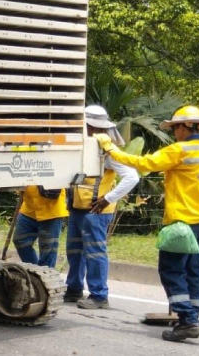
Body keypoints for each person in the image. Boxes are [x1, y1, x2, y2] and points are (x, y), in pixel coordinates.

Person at [94, 105, 199, 342]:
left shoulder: (180, 150)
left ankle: (187, 321)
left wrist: (110, 148)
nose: (175, 132)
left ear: (186, 127)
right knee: (192, 272)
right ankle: (192, 315)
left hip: (182, 223)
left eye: (176, 127)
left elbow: (143, 164)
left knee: (171, 270)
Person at [66, 105, 139, 309]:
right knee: (74, 250)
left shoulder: (106, 152)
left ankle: (99, 295)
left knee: (95, 253)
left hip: (96, 211)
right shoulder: (82, 148)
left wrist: (108, 198)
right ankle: (73, 289)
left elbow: (132, 177)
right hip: (78, 208)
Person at [12, 184, 67, 268]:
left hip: (51, 210)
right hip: (29, 208)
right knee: (20, 240)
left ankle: (45, 276)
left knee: (48, 249)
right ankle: (34, 270)